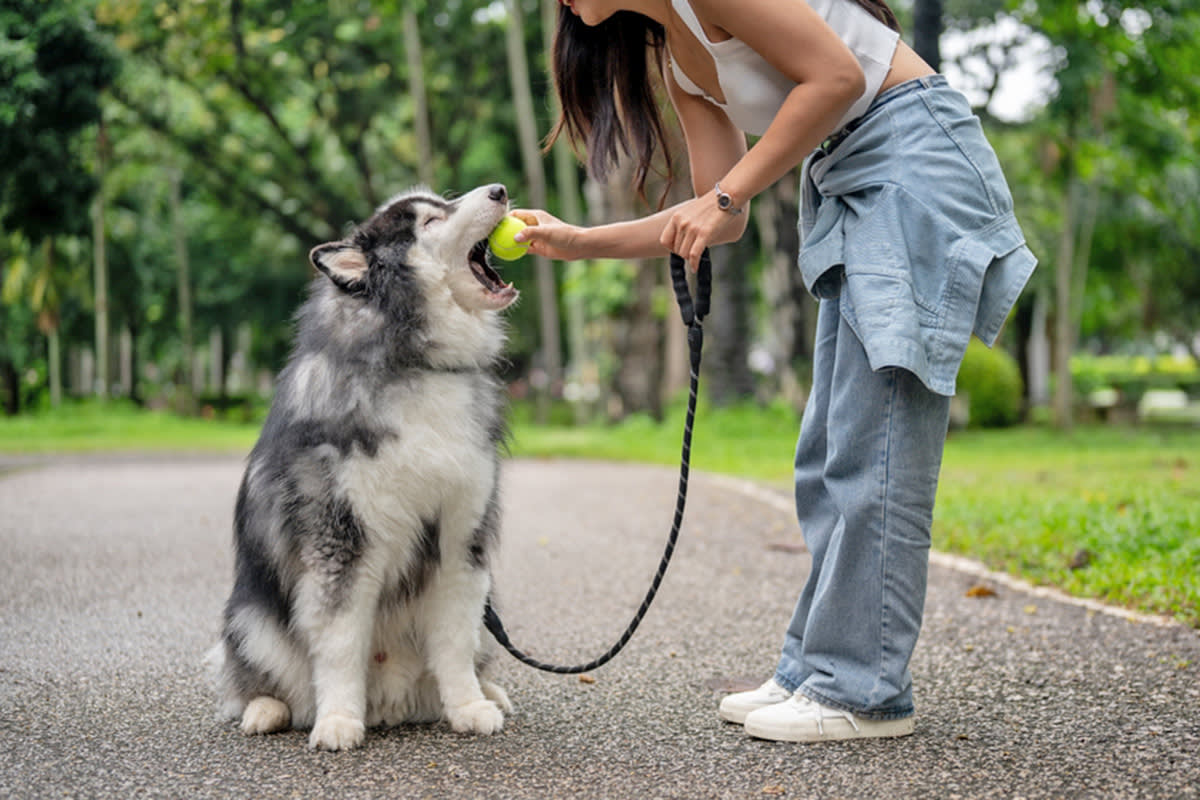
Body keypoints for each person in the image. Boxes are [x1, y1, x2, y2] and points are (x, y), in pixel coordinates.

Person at [513, 0, 1036, 743]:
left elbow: (833, 75)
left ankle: (861, 689)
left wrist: (729, 194)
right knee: (827, 451)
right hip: (850, 174)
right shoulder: (675, 57)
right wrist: (577, 241)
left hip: (911, 155)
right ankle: (814, 670)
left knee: (872, 445)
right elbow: (719, 212)